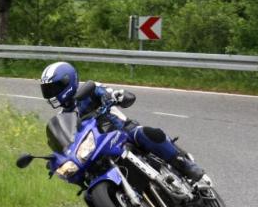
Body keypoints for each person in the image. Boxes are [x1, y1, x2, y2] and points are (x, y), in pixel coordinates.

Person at [39, 61, 205, 184]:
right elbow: (67, 140)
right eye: (47, 90)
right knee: (88, 191)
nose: (50, 93)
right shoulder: (64, 117)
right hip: (98, 150)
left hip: (123, 131)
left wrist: (116, 96)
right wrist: (59, 158)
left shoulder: (89, 90)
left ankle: (185, 165)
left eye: (53, 88)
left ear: (68, 82)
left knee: (148, 134)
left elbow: (108, 92)